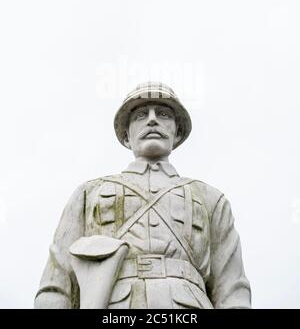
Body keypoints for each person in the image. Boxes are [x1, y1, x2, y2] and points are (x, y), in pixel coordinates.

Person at [35, 82, 251, 309]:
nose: (152, 120)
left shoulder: (211, 199)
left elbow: (232, 289)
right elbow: (56, 283)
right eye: (140, 115)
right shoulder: (89, 193)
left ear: (177, 132)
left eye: (164, 114)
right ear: (127, 136)